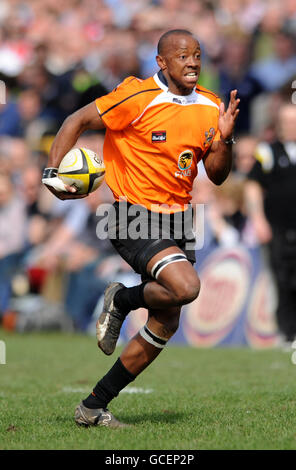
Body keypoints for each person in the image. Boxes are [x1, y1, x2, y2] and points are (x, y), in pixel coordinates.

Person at [42, 29, 239, 428]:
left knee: (166, 322)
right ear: (162, 63)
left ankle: (93, 407)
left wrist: (225, 141)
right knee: (187, 287)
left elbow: (216, 177)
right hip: (132, 216)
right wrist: (52, 172)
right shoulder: (136, 96)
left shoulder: (211, 105)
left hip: (180, 219)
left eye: (197, 55)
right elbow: (76, 119)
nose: (193, 62)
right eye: (182, 56)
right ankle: (124, 299)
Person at [245, 103, 296, 345]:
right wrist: (258, 220)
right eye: (288, 121)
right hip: (277, 229)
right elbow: (253, 186)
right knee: (282, 279)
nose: (292, 126)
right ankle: (288, 333)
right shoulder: (267, 152)